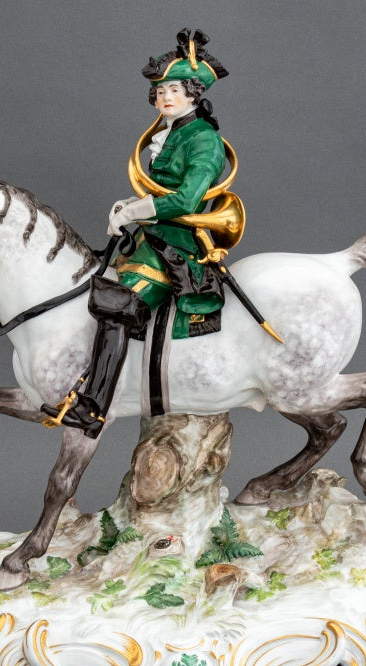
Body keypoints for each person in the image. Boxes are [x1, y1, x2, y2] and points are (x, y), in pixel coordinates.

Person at [41, 29, 230, 437]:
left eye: (174, 90)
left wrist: (137, 210)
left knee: (117, 306)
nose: (165, 97)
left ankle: (93, 408)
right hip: (151, 240)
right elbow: (160, 190)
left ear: (194, 93)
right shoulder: (172, 133)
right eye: (160, 91)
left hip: (177, 246)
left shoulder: (204, 139)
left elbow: (186, 199)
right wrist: (130, 205)